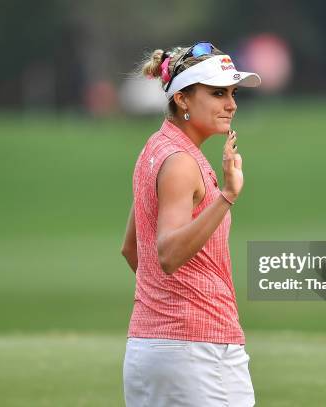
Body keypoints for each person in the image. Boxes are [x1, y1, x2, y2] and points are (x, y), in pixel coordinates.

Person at [121, 41, 261, 406]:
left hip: (153, 348)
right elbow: (166, 253)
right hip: (197, 352)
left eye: (231, 93)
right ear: (182, 99)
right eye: (217, 93)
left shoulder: (156, 148)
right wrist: (227, 196)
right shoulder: (182, 162)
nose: (230, 104)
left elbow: (132, 248)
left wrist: (168, 305)